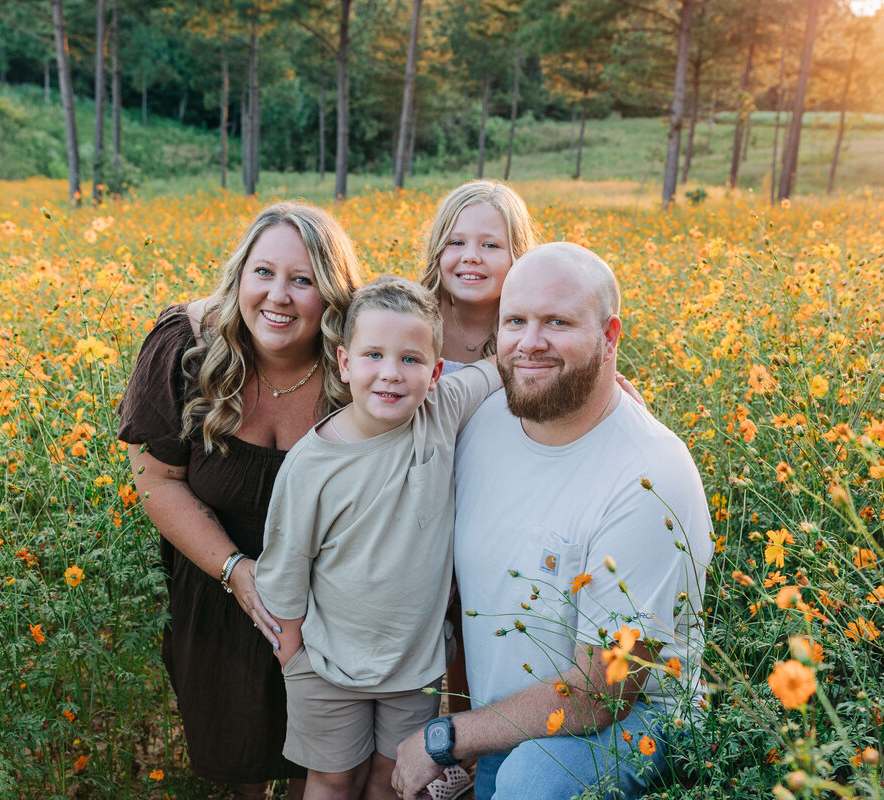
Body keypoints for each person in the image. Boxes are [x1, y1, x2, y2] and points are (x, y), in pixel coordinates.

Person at [392, 243, 714, 800]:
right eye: (515, 321)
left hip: (633, 722)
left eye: (557, 323)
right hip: (511, 726)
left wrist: (447, 738)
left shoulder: (649, 478)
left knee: (530, 783)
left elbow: (603, 692)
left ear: (610, 336)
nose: (530, 342)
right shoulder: (483, 423)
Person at [118, 202, 363, 799]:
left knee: (331, 772)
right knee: (239, 768)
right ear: (239, 275)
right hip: (219, 593)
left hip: (333, 607)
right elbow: (158, 480)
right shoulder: (186, 349)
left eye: (302, 280)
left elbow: (448, 381)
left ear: (331, 295)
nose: (278, 296)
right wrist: (237, 570)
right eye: (264, 273)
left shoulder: (362, 364)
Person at [255, 276, 502, 800]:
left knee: (393, 780)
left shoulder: (442, 411)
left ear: (436, 372)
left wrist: (600, 378)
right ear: (344, 363)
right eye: (373, 355)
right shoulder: (311, 466)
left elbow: (501, 367)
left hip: (413, 666)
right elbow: (284, 572)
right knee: (332, 779)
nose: (391, 374)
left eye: (411, 360)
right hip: (325, 665)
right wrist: (295, 658)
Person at [419, 180, 538, 375]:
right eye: (456, 242)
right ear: (438, 250)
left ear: (518, 254)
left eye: (490, 245)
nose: (471, 257)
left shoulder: (534, 335)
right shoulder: (409, 321)